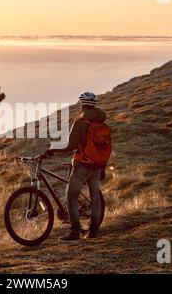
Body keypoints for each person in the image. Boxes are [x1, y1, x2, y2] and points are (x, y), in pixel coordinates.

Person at [43, 92, 108, 241]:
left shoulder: (80, 123)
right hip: (97, 167)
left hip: (82, 167)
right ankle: (93, 232)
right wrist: (102, 168)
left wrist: (53, 149)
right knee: (95, 199)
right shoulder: (102, 124)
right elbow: (104, 149)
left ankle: (74, 232)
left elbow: (70, 145)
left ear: (82, 105)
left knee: (71, 198)